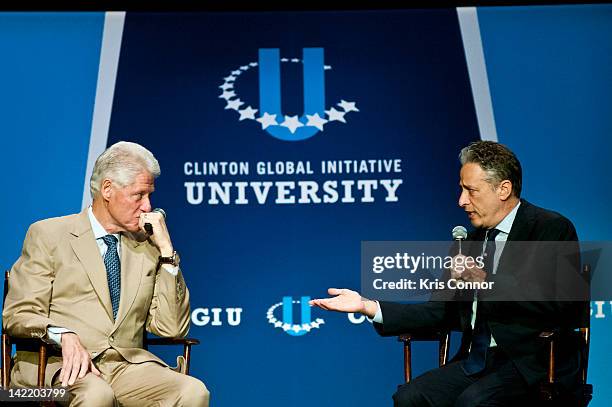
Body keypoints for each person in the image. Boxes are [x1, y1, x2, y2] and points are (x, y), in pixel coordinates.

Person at [310, 141, 586, 407]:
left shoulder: (550, 229)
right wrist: (368, 306)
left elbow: (562, 306)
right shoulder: (469, 243)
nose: (461, 201)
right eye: (461, 190)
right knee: (410, 398)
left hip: (532, 363)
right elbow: (440, 311)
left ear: (503, 189)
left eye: (471, 191)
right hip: (476, 361)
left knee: (473, 402)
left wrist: (489, 283)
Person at [3, 141, 210, 406]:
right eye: (139, 195)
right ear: (108, 189)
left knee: (193, 391)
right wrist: (62, 334)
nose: (148, 206)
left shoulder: (147, 245)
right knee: (96, 395)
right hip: (56, 366)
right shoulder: (49, 235)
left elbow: (171, 327)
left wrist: (168, 253)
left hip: (125, 368)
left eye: (150, 195)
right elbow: (18, 315)